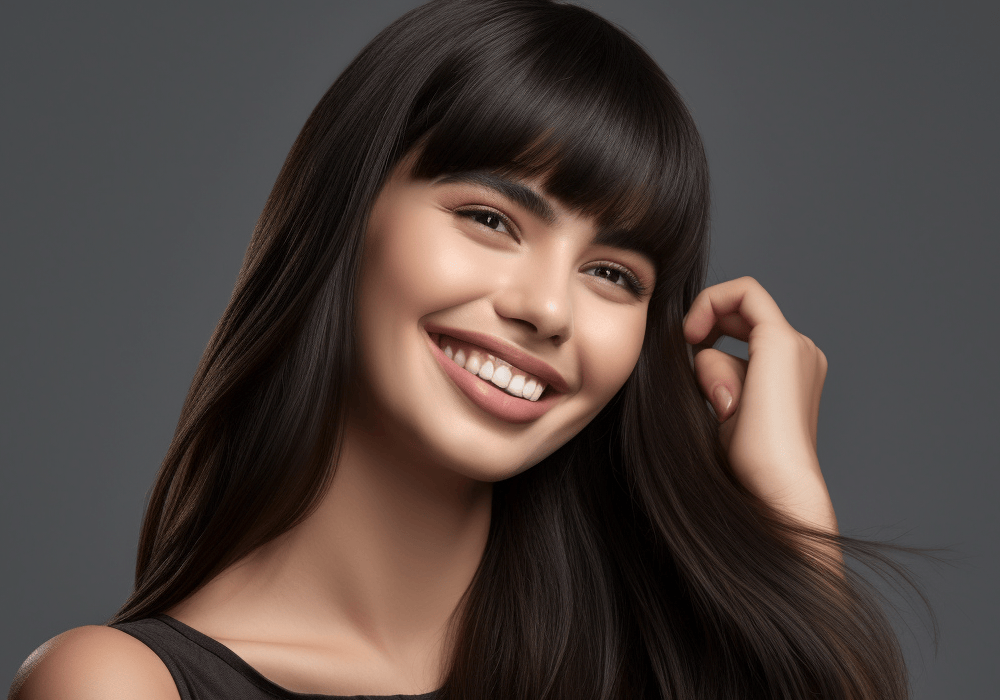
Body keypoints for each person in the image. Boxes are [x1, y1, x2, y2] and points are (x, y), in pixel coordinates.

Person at [9, 1, 913, 698]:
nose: (548, 308)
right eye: (491, 219)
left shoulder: (651, 666)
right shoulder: (121, 685)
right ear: (348, 212)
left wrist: (795, 521)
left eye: (613, 275)